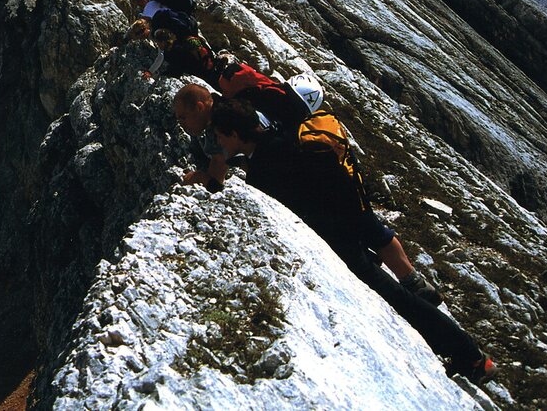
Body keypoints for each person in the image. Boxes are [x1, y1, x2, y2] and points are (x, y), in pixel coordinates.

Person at [208, 98, 495, 383]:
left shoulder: (265, 166)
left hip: (337, 240)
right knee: (397, 297)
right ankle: (465, 354)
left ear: (234, 134)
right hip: (348, 225)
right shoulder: (280, 137)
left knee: (398, 299)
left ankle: (472, 357)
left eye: (221, 135)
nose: (219, 141)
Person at [173, 82, 442, 305]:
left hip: (321, 183)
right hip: (326, 174)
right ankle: (413, 282)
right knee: (370, 227)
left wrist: (200, 180)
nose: (182, 124)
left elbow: (217, 179)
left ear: (200, 107)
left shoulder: (219, 127)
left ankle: (413, 292)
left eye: (183, 117)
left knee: (364, 234)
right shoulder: (231, 103)